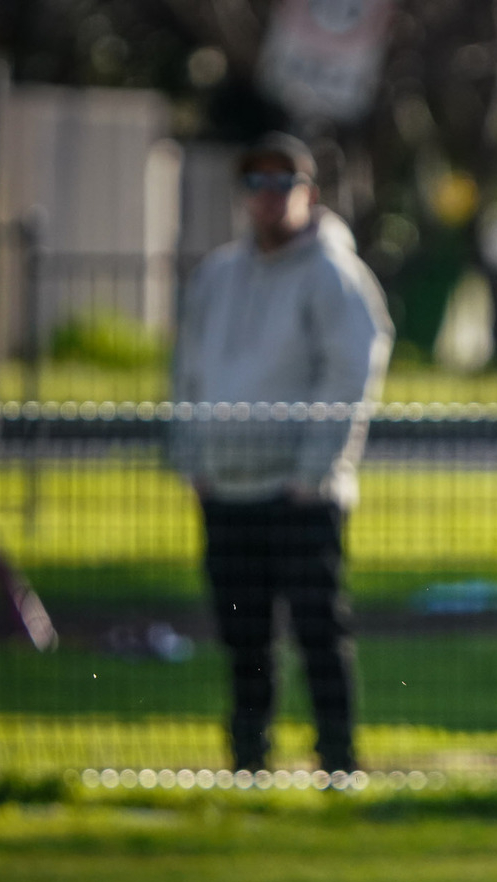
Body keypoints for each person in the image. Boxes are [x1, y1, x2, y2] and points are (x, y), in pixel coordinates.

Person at [168, 133, 392, 775]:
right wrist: (193, 461)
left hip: (301, 494)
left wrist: (314, 471)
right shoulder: (216, 274)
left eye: (281, 184)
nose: (267, 199)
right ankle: (247, 764)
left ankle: (339, 765)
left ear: (308, 194)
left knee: (319, 633)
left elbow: (352, 374)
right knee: (244, 640)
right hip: (226, 487)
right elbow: (187, 370)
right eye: (255, 185)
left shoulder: (333, 274)